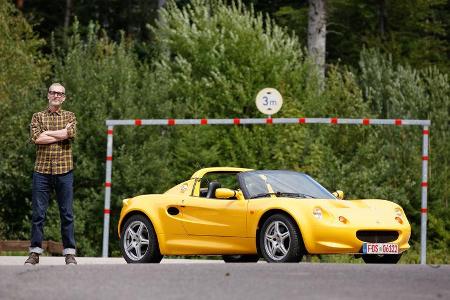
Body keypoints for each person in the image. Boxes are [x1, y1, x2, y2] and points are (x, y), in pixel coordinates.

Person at [25, 83, 78, 265]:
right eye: (53, 92)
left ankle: (69, 253)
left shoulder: (70, 116)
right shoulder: (37, 116)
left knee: (67, 213)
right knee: (38, 214)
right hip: (42, 171)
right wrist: (61, 133)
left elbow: (70, 133)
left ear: (64, 98)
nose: (56, 95)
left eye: (60, 93)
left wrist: (48, 132)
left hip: (65, 171)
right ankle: (35, 253)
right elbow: (37, 138)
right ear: (48, 95)